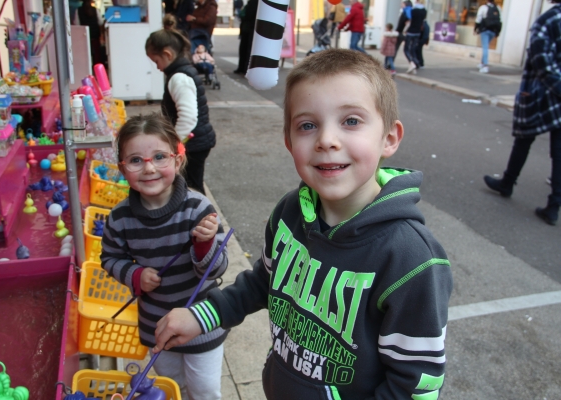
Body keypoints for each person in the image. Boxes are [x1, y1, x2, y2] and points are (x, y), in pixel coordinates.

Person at [153, 49, 453, 399]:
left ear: (389, 137)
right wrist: (203, 316)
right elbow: (262, 283)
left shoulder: (412, 259)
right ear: (289, 141)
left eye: (351, 121)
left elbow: (414, 386)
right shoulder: (290, 211)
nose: (327, 140)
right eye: (307, 125)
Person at [100, 113, 229, 400]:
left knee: (205, 390)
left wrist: (204, 245)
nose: (149, 168)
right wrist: (134, 274)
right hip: (155, 324)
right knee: (172, 387)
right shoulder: (119, 217)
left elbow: (218, 269)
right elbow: (109, 258)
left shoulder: (199, 208)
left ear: (177, 160)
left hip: (201, 322)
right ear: (122, 168)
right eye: (135, 160)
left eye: (159, 156)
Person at [483, 1, 561, 226]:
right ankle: (553, 204)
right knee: (556, 151)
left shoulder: (548, 21)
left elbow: (541, 62)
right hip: (550, 93)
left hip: (542, 93)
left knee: (524, 139)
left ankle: (508, 183)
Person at [146, 29, 216, 195]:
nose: (157, 68)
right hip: (194, 141)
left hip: (193, 144)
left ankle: (203, 218)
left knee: (191, 188)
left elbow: (188, 117)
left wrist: (174, 144)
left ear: (167, 54)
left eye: (156, 61)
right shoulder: (180, 74)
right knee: (190, 185)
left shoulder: (179, 78)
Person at [474, 0, 502, 74]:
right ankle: (482, 63)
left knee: (485, 47)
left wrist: (475, 29)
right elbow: (500, 20)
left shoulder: (483, 7)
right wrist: (498, 32)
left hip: (485, 30)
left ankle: (485, 66)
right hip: (493, 31)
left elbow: (478, 19)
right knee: (486, 46)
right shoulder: (498, 8)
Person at [233, 0, 258, 74]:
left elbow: (248, 15)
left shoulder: (253, 3)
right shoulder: (252, 3)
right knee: (245, 49)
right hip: (248, 29)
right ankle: (243, 68)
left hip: (250, 29)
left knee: (247, 49)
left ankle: (244, 68)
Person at [403, 0, 427, 74]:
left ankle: (412, 63)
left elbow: (408, 20)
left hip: (411, 32)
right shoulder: (424, 11)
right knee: (413, 49)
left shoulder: (412, 10)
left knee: (406, 49)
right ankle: (416, 63)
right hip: (417, 32)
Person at [78, 1, 104, 66]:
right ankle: (97, 67)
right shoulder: (95, 10)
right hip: (95, 34)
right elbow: (100, 22)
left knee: (86, 53)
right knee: (97, 53)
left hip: (84, 36)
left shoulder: (78, 11)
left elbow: (77, 24)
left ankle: (87, 67)